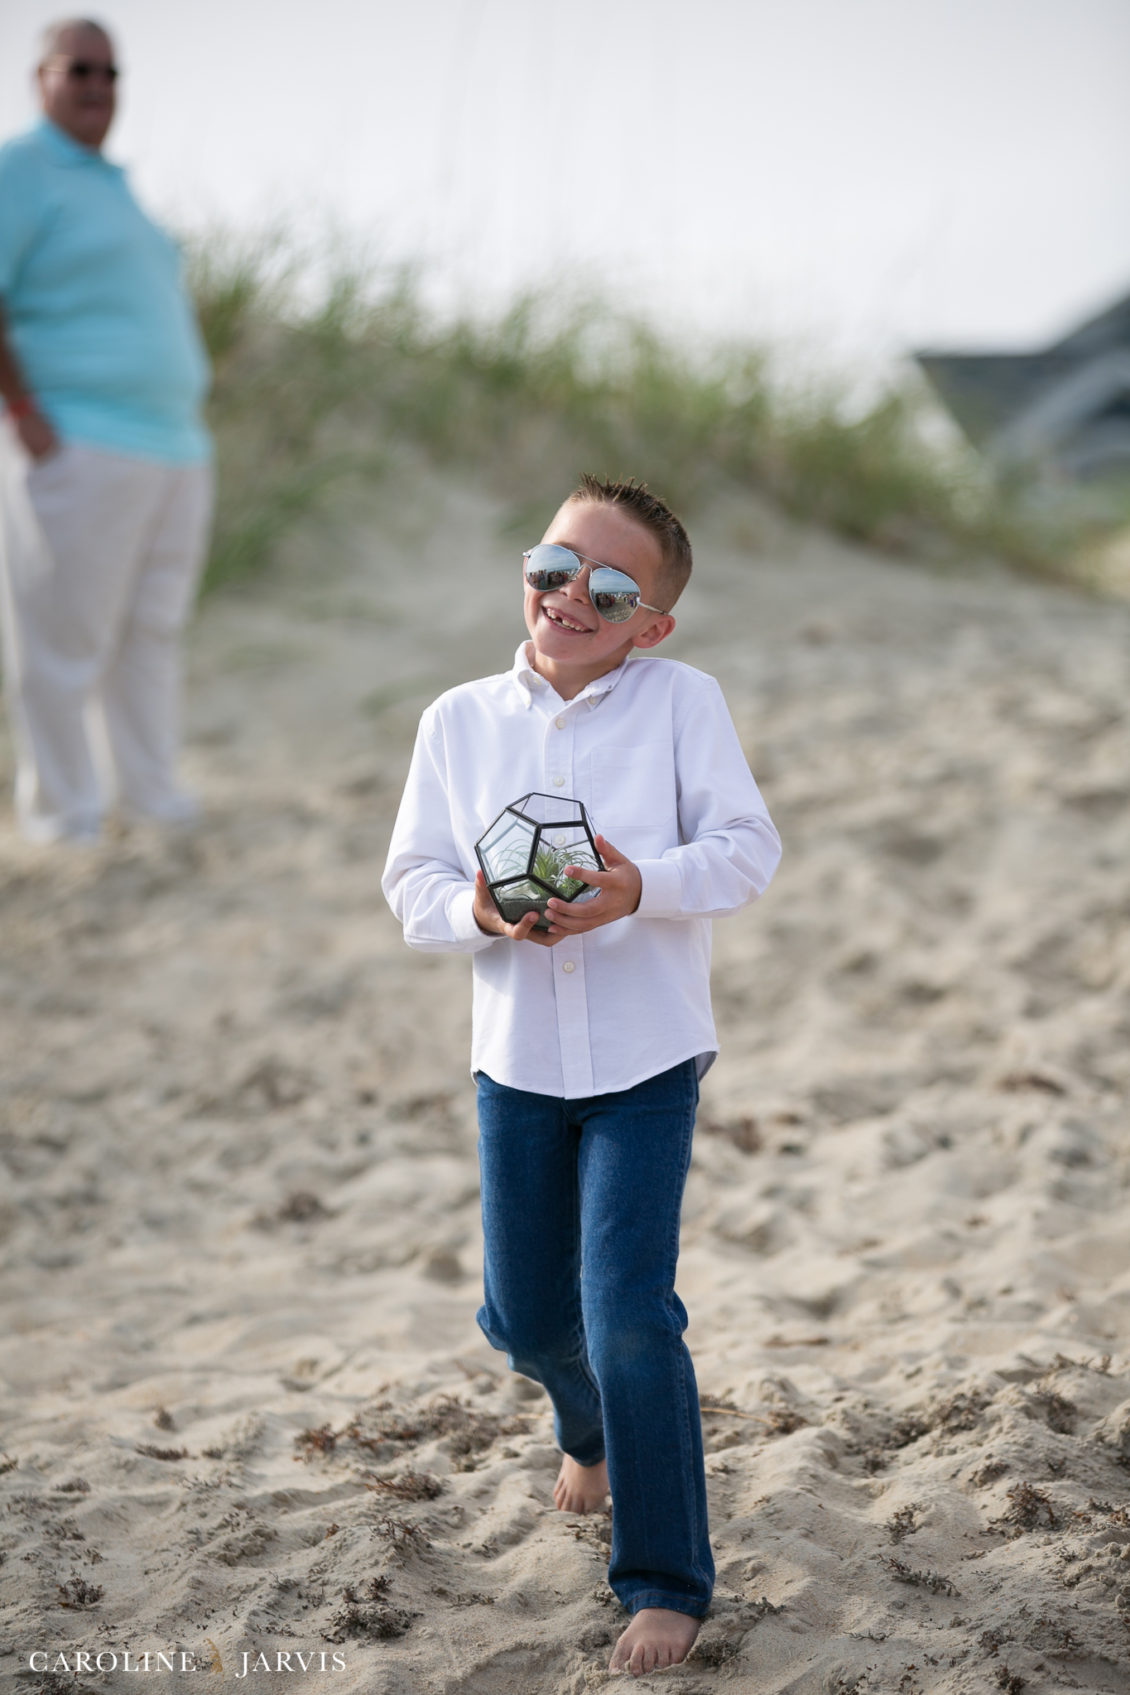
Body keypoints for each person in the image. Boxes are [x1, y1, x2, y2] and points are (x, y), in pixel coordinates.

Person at [382, 475, 781, 1676]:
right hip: (514, 1061)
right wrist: (481, 911)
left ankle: (664, 1577)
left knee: (626, 1315)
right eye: (553, 567)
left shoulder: (679, 704)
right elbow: (411, 885)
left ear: (649, 623)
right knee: (524, 1317)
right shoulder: (458, 719)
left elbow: (745, 849)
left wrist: (635, 886)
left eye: (609, 589)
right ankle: (584, 1427)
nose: (570, 598)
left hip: (645, 1055)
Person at [0, 17, 213, 843]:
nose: (98, 86)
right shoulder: (23, 169)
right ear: (42, 77)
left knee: (151, 632)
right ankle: (65, 819)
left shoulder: (113, 184)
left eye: (111, 73)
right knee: (64, 639)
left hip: (175, 445)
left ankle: (153, 799)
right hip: (78, 439)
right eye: (80, 69)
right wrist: (23, 412)